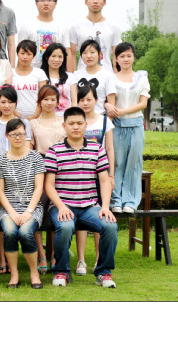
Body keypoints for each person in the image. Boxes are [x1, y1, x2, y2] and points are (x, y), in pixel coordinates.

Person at [44, 107, 119, 288]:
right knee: (65, 226)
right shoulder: (54, 150)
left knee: (110, 226)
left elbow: (104, 181)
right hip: (62, 206)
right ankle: (62, 271)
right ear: (64, 126)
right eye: (71, 123)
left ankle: (103, 273)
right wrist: (61, 206)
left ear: (86, 125)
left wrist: (105, 207)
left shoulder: (97, 149)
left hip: (89, 206)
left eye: (79, 123)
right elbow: (49, 185)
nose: (75, 127)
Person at [0, 118, 46, 289]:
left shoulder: (35, 157)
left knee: (25, 232)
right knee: (10, 232)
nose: (18, 137)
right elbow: (0, 191)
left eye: (21, 134)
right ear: (6, 136)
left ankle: (34, 273)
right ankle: (14, 274)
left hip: (32, 208)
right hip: (9, 209)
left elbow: (39, 187)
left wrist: (28, 212)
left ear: (26, 135)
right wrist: (12, 212)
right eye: (13, 134)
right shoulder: (1, 160)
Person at [75, 83, 116, 276]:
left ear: (96, 101)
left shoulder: (104, 121)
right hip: (79, 176)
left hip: (100, 176)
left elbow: (110, 149)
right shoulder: (75, 120)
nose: (85, 103)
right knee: (81, 214)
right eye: (82, 100)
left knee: (100, 214)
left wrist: (111, 175)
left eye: (89, 99)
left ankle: (100, 258)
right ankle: (81, 259)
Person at [107, 42, 150, 214]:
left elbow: (143, 103)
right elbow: (109, 102)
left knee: (134, 163)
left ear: (133, 57)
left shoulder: (141, 78)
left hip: (136, 125)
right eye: (122, 56)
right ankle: (115, 200)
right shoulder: (111, 78)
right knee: (117, 162)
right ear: (116, 59)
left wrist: (122, 111)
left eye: (129, 55)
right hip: (117, 126)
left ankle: (130, 201)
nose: (125, 59)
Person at [29, 84, 66, 273]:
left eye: (53, 99)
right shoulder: (33, 123)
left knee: (57, 209)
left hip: (62, 169)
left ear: (58, 102)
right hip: (40, 167)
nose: (49, 102)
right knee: (38, 208)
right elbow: (30, 149)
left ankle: (54, 253)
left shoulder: (64, 122)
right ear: (40, 101)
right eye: (45, 99)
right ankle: (41, 254)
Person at [17, 0, 73, 69]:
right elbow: (21, 53)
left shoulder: (62, 26)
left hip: (56, 72)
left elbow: (67, 52)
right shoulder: (26, 26)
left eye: (49, 0)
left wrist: (69, 75)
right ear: (36, 3)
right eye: (42, 0)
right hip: (33, 72)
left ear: (55, 3)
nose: (46, 3)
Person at [70, 0, 122, 73]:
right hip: (83, 75)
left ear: (104, 2)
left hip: (106, 74)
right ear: (86, 2)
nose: (95, 1)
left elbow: (116, 55)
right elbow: (72, 54)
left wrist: (116, 76)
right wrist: (72, 77)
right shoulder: (76, 26)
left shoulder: (113, 27)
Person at [68, 39, 117, 115]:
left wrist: (107, 122)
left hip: (100, 117)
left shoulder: (107, 75)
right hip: (80, 118)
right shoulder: (75, 75)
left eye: (92, 52)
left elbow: (111, 105)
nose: (88, 56)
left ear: (100, 54)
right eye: (85, 53)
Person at [10, 39, 48, 118]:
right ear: (17, 54)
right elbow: (7, 95)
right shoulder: (10, 73)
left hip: (36, 117)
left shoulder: (39, 73)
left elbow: (43, 96)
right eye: (22, 53)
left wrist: (36, 115)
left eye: (29, 54)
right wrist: (15, 113)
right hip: (14, 116)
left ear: (33, 56)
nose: (25, 57)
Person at [0, 85, 33, 156]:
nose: (6, 106)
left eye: (10, 102)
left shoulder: (24, 123)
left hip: (19, 161)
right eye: (3, 102)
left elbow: (27, 148)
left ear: (16, 102)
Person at [40, 42, 72, 115]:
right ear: (46, 57)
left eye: (60, 57)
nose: (56, 60)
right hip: (46, 116)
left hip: (66, 116)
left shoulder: (70, 77)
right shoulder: (40, 76)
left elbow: (74, 102)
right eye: (53, 56)